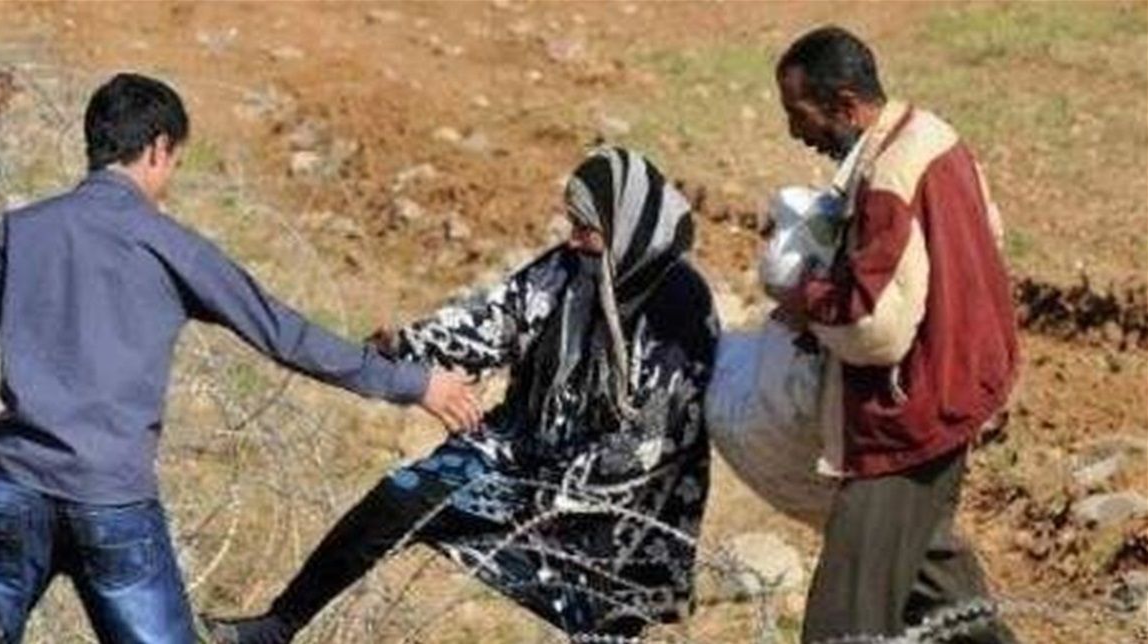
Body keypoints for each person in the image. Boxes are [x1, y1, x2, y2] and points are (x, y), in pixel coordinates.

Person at [0, 72, 481, 644]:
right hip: (113, 502)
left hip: (14, 492)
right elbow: (285, 334)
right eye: (174, 160)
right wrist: (413, 383)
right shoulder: (173, 248)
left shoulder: (21, 232)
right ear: (157, 148)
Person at [203, 147, 719, 644]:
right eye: (573, 224)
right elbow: (497, 321)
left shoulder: (678, 305)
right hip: (522, 449)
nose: (574, 240)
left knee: (603, 615)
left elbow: (654, 436)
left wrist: (552, 502)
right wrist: (409, 346)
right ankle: (278, 626)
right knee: (403, 497)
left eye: (587, 229)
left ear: (628, 228)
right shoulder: (568, 268)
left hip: (623, 499)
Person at [772, 26, 1019, 643]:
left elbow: (872, 324)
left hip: (909, 412)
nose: (795, 131)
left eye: (799, 114)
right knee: (929, 572)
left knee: (845, 615)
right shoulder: (936, 135)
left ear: (844, 105)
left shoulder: (888, 176)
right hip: (965, 376)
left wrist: (805, 301)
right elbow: (989, 231)